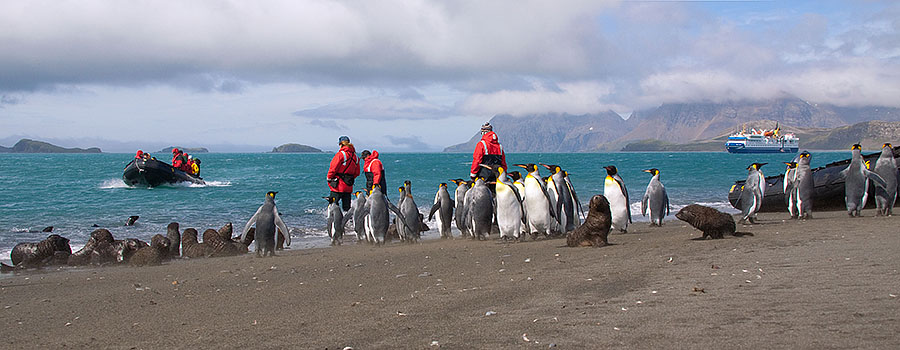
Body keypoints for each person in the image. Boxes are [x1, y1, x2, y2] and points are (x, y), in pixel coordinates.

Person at [326, 136, 360, 211]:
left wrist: (329, 177)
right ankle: (349, 221)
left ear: (340, 144)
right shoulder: (356, 157)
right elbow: (357, 172)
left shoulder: (340, 154)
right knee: (347, 207)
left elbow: (333, 168)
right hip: (348, 185)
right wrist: (349, 178)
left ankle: (334, 221)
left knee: (333, 204)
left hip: (338, 185)